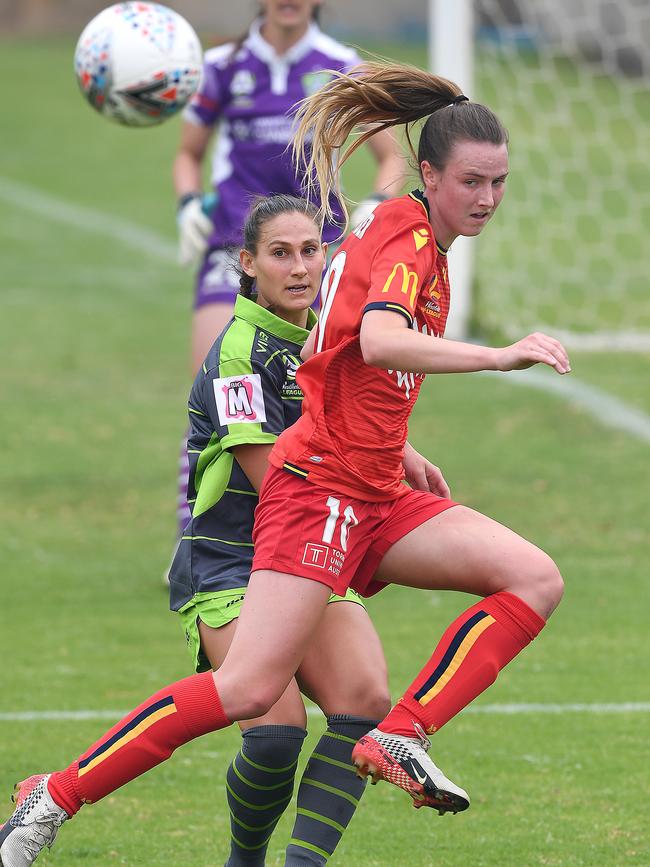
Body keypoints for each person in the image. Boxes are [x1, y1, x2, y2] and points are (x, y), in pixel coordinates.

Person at [0, 62, 570, 865]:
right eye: (472, 181)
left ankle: (401, 736)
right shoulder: (406, 234)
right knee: (248, 696)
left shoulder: (404, 230)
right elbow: (376, 338)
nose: (487, 198)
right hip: (319, 493)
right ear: (430, 174)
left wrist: (398, 446)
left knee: (532, 578)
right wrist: (499, 355)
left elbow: (329, 352)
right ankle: (51, 797)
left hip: (372, 490)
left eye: (500, 182)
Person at [169, 194, 394, 866]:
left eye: (310, 250)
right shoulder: (239, 354)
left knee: (363, 700)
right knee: (274, 730)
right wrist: (378, 530)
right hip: (232, 561)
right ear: (247, 263)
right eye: (280, 252)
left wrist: (403, 462)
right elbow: (275, 482)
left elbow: (361, 430)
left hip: (310, 548)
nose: (299, 266)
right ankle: (246, 859)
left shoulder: (328, 338)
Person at [172, 0, 406, 533]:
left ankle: (321, 527)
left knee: (320, 391)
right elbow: (188, 153)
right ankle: (194, 530)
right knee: (211, 388)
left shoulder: (341, 66)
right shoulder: (222, 66)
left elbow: (390, 156)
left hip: (314, 255)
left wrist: (371, 202)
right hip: (235, 248)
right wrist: (188, 202)